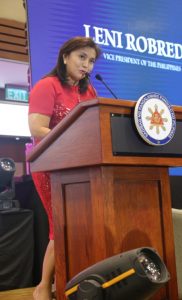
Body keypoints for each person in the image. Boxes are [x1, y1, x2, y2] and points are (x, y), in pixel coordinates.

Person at [28, 36, 101, 300]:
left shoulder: (88, 92)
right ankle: (43, 286)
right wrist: (72, 139)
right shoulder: (47, 85)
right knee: (59, 227)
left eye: (91, 60)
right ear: (65, 56)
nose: (87, 66)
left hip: (78, 166)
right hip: (50, 166)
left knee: (75, 226)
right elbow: (37, 129)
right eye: (82, 57)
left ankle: (66, 281)